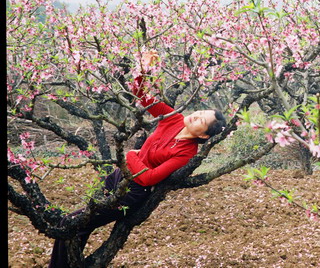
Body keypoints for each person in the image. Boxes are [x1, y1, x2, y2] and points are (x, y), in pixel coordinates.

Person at [48, 51, 227, 267]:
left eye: (202, 120)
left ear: (203, 135)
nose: (196, 115)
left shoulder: (187, 153)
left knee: (71, 223)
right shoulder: (174, 118)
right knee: (80, 226)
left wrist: (131, 156)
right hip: (117, 176)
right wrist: (143, 70)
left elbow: (149, 178)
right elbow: (140, 94)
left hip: (132, 194)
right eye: (199, 111)